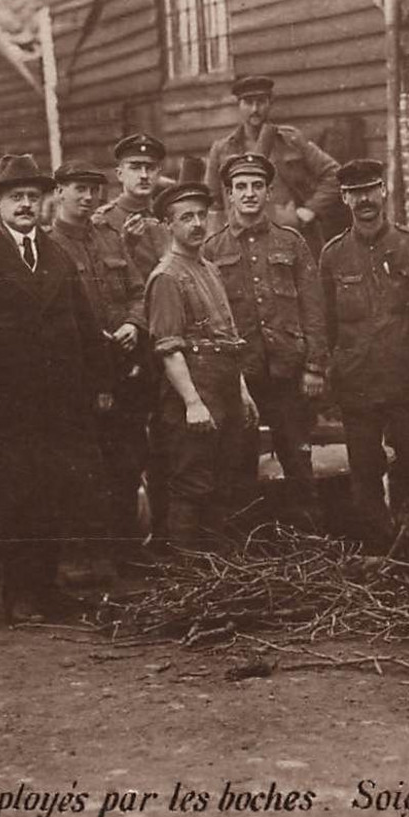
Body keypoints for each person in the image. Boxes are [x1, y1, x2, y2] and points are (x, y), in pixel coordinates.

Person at [0, 154, 115, 624]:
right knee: (15, 499)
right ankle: (19, 594)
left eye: (33, 197)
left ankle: (48, 587)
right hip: (6, 402)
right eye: (16, 198)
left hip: (58, 402)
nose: (26, 205)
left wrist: (100, 379)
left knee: (55, 492)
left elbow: (86, 325)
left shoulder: (57, 256)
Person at [202, 152, 329, 529]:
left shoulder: (292, 242)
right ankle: (247, 554)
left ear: (268, 191)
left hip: (290, 375)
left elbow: (314, 308)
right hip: (240, 379)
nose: (249, 193)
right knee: (238, 467)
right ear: (229, 194)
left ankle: (309, 546)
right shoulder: (213, 249)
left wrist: (315, 366)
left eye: (257, 186)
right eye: (240, 187)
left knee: (298, 465)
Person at [319, 158, 409, 547]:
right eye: (355, 192)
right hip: (359, 386)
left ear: (383, 191)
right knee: (364, 473)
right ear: (344, 198)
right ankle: (376, 550)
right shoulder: (333, 255)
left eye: (370, 189)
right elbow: (327, 324)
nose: (364, 199)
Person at [47, 159, 152, 567]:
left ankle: (124, 549)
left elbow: (137, 291)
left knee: (126, 459)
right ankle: (82, 555)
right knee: (79, 467)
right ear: (59, 192)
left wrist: (132, 323)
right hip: (76, 376)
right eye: (78, 188)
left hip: (122, 369)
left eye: (93, 189)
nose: (87, 197)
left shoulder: (111, 238)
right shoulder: (47, 245)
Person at [145, 180, 260, 552]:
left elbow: (228, 337)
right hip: (192, 390)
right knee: (192, 483)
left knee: (222, 481)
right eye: (186, 218)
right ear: (168, 226)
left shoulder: (209, 268)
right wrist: (193, 403)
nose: (197, 224)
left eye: (201, 215)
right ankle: (187, 575)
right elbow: (168, 348)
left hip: (223, 384)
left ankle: (218, 574)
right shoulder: (166, 276)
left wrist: (240, 392)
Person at [204, 75, 340, 250]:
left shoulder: (290, 140)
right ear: (239, 105)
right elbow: (212, 202)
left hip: (289, 237)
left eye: (261, 101)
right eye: (248, 102)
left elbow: (334, 174)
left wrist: (310, 209)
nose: (255, 109)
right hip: (242, 243)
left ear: (270, 103)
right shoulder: (222, 149)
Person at [96, 133, 174, 280]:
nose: (144, 175)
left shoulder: (169, 215)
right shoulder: (103, 221)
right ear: (120, 174)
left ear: (158, 174)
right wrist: (126, 245)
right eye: (135, 168)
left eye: (150, 168)